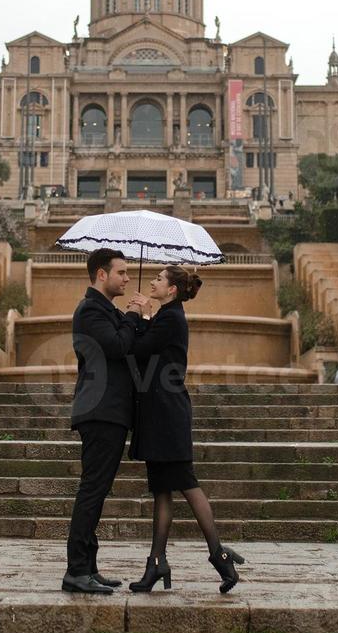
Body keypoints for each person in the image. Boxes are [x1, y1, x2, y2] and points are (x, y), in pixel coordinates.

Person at [128, 266, 246, 594]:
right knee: (163, 489)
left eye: (159, 279)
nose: (152, 281)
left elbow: (139, 349)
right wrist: (146, 316)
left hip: (166, 414)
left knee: (185, 482)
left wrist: (139, 314)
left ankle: (218, 553)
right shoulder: (168, 316)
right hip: (159, 411)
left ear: (172, 290)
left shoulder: (170, 318)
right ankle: (157, 562)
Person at [62, 248, 152, 595]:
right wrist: (132, 317)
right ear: (102, 274)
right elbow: (116, 347)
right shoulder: (90, 311)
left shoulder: (105, 310)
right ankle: (76, 571)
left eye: (129, 273)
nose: (128, 279)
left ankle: (89, 567)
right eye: (122, 272)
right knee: (92, 491)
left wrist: (139, 319)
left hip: (111, 410)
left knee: (96, 492)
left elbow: (128, 346)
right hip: (100, 410)